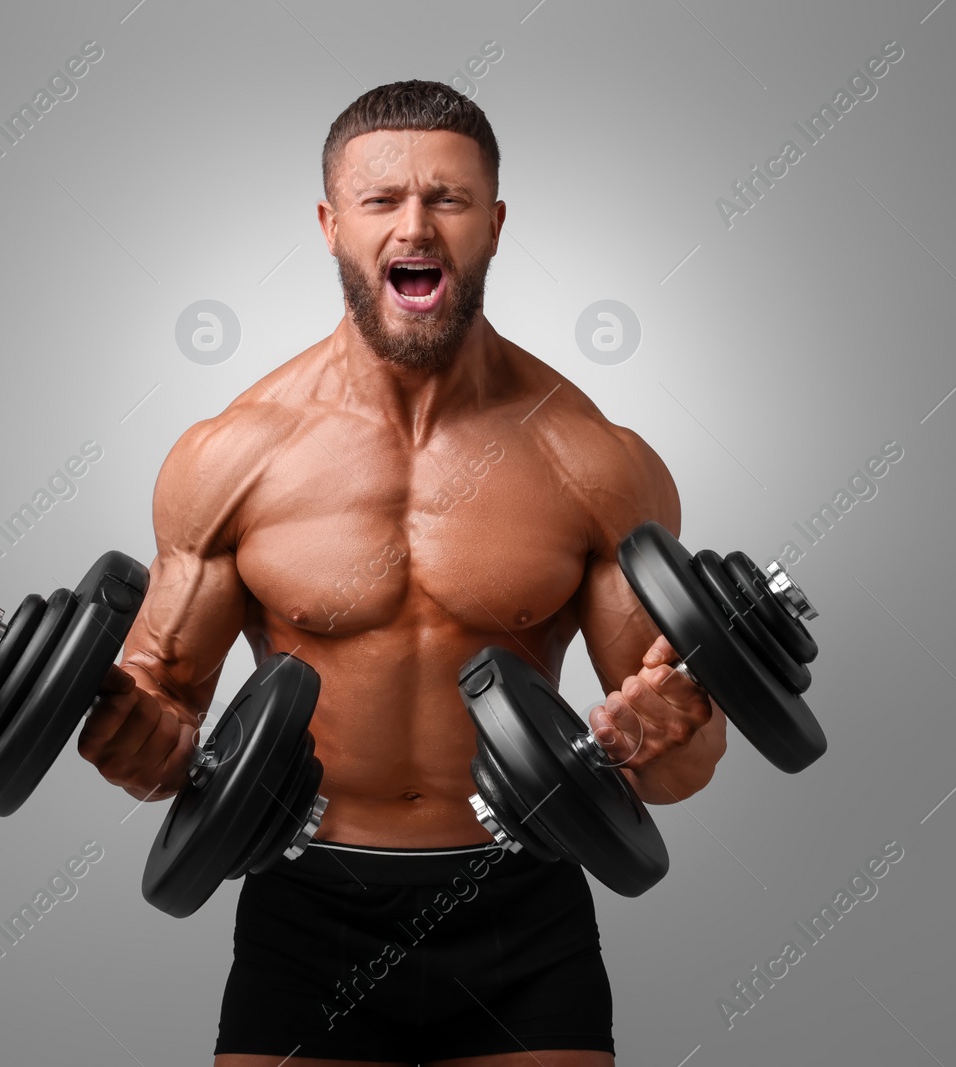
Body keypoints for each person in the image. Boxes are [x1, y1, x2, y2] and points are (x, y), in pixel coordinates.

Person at [77, 79, 727, 1066]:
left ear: (495, 224)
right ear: (332, 224)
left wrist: (668, 733)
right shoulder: (232, 457)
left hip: (523, 903)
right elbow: (162, 728)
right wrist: (133, 742)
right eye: (381, 201)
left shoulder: (591, 461)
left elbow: (678, 766)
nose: (414, 225)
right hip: (307, 908)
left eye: (449, 199)